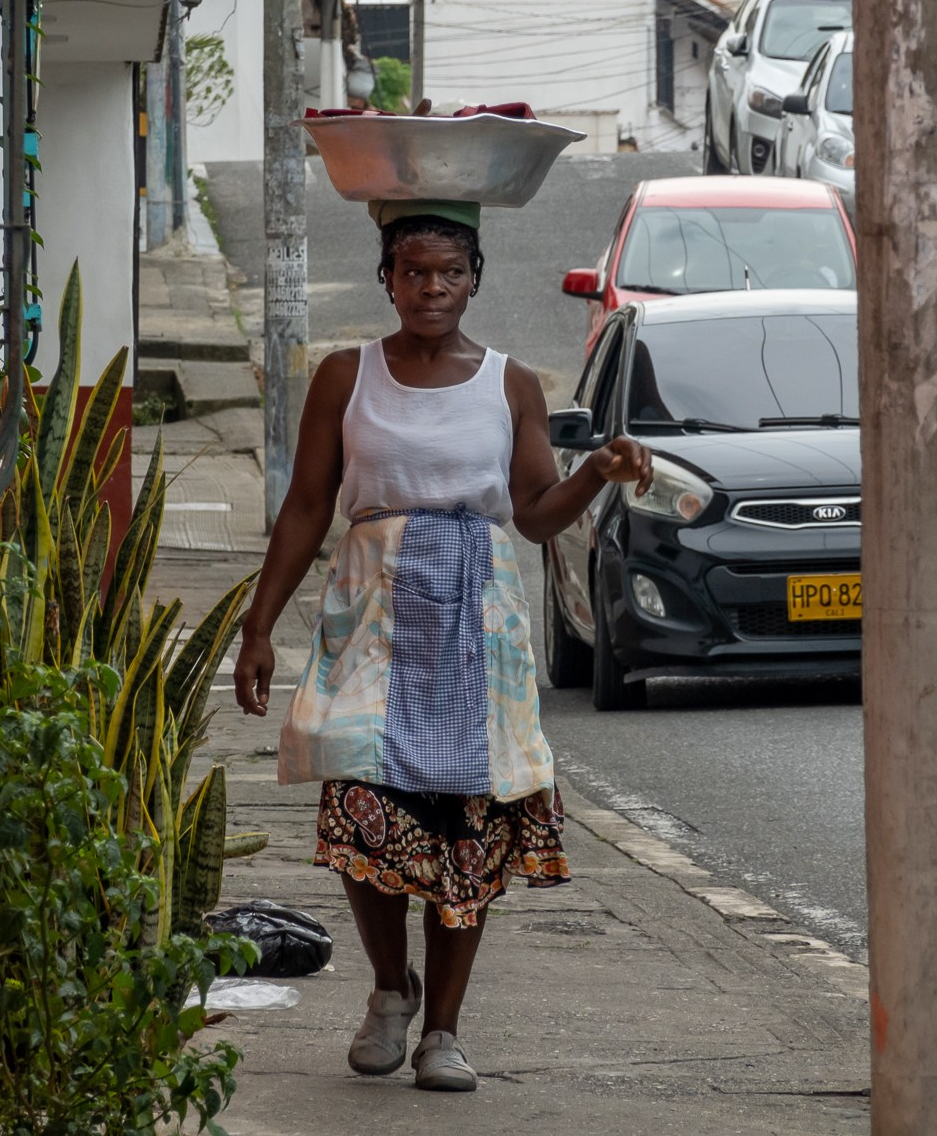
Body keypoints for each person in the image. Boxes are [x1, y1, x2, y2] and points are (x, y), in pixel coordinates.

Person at [232, 198, 652, 1093]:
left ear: (475, 281)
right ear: (387, 277)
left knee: (468, 817)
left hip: (475, 619)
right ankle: (391, 990)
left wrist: (596, 471)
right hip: (371, 611)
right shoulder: (346, 376)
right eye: (414, 271)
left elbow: (535, 513)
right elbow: (309, 505)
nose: (432, 288)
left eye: (450, 273)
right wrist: (258, 624)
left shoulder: (509, 383)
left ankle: (445, 1032)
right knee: (358, 797)